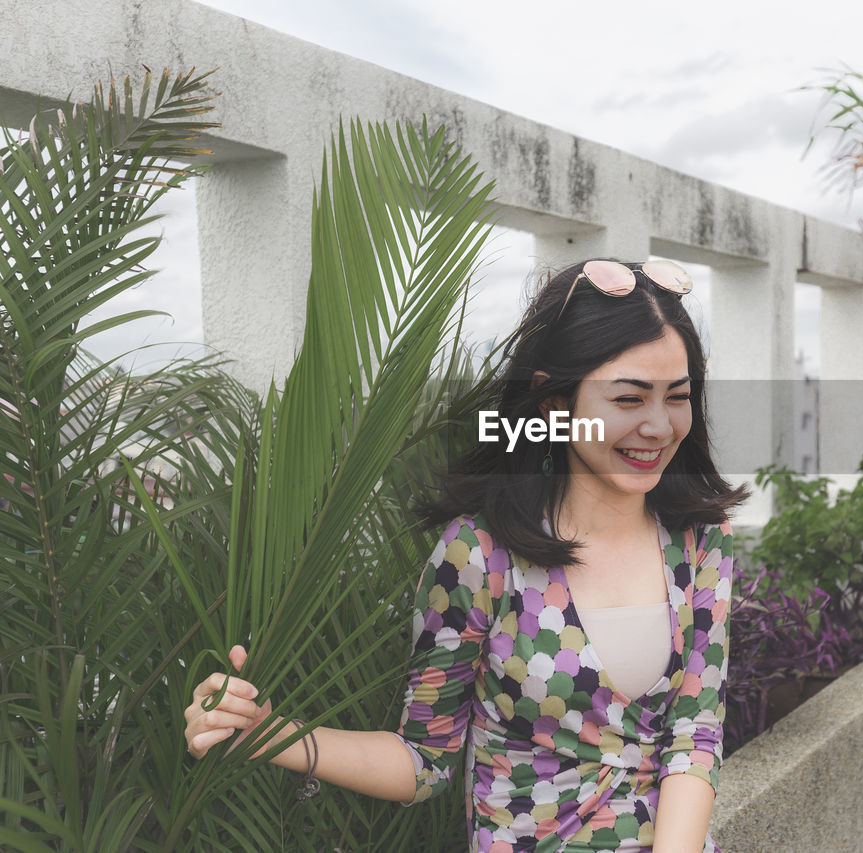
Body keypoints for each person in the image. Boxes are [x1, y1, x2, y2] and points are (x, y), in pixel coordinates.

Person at [183, 258, 748, 852]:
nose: (659, 425)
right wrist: (275, 735)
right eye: (630, 399)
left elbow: (694, 735)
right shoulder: (479, 554)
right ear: (554, 405)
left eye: (677, 397)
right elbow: (423, 759)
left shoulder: (700, 539)